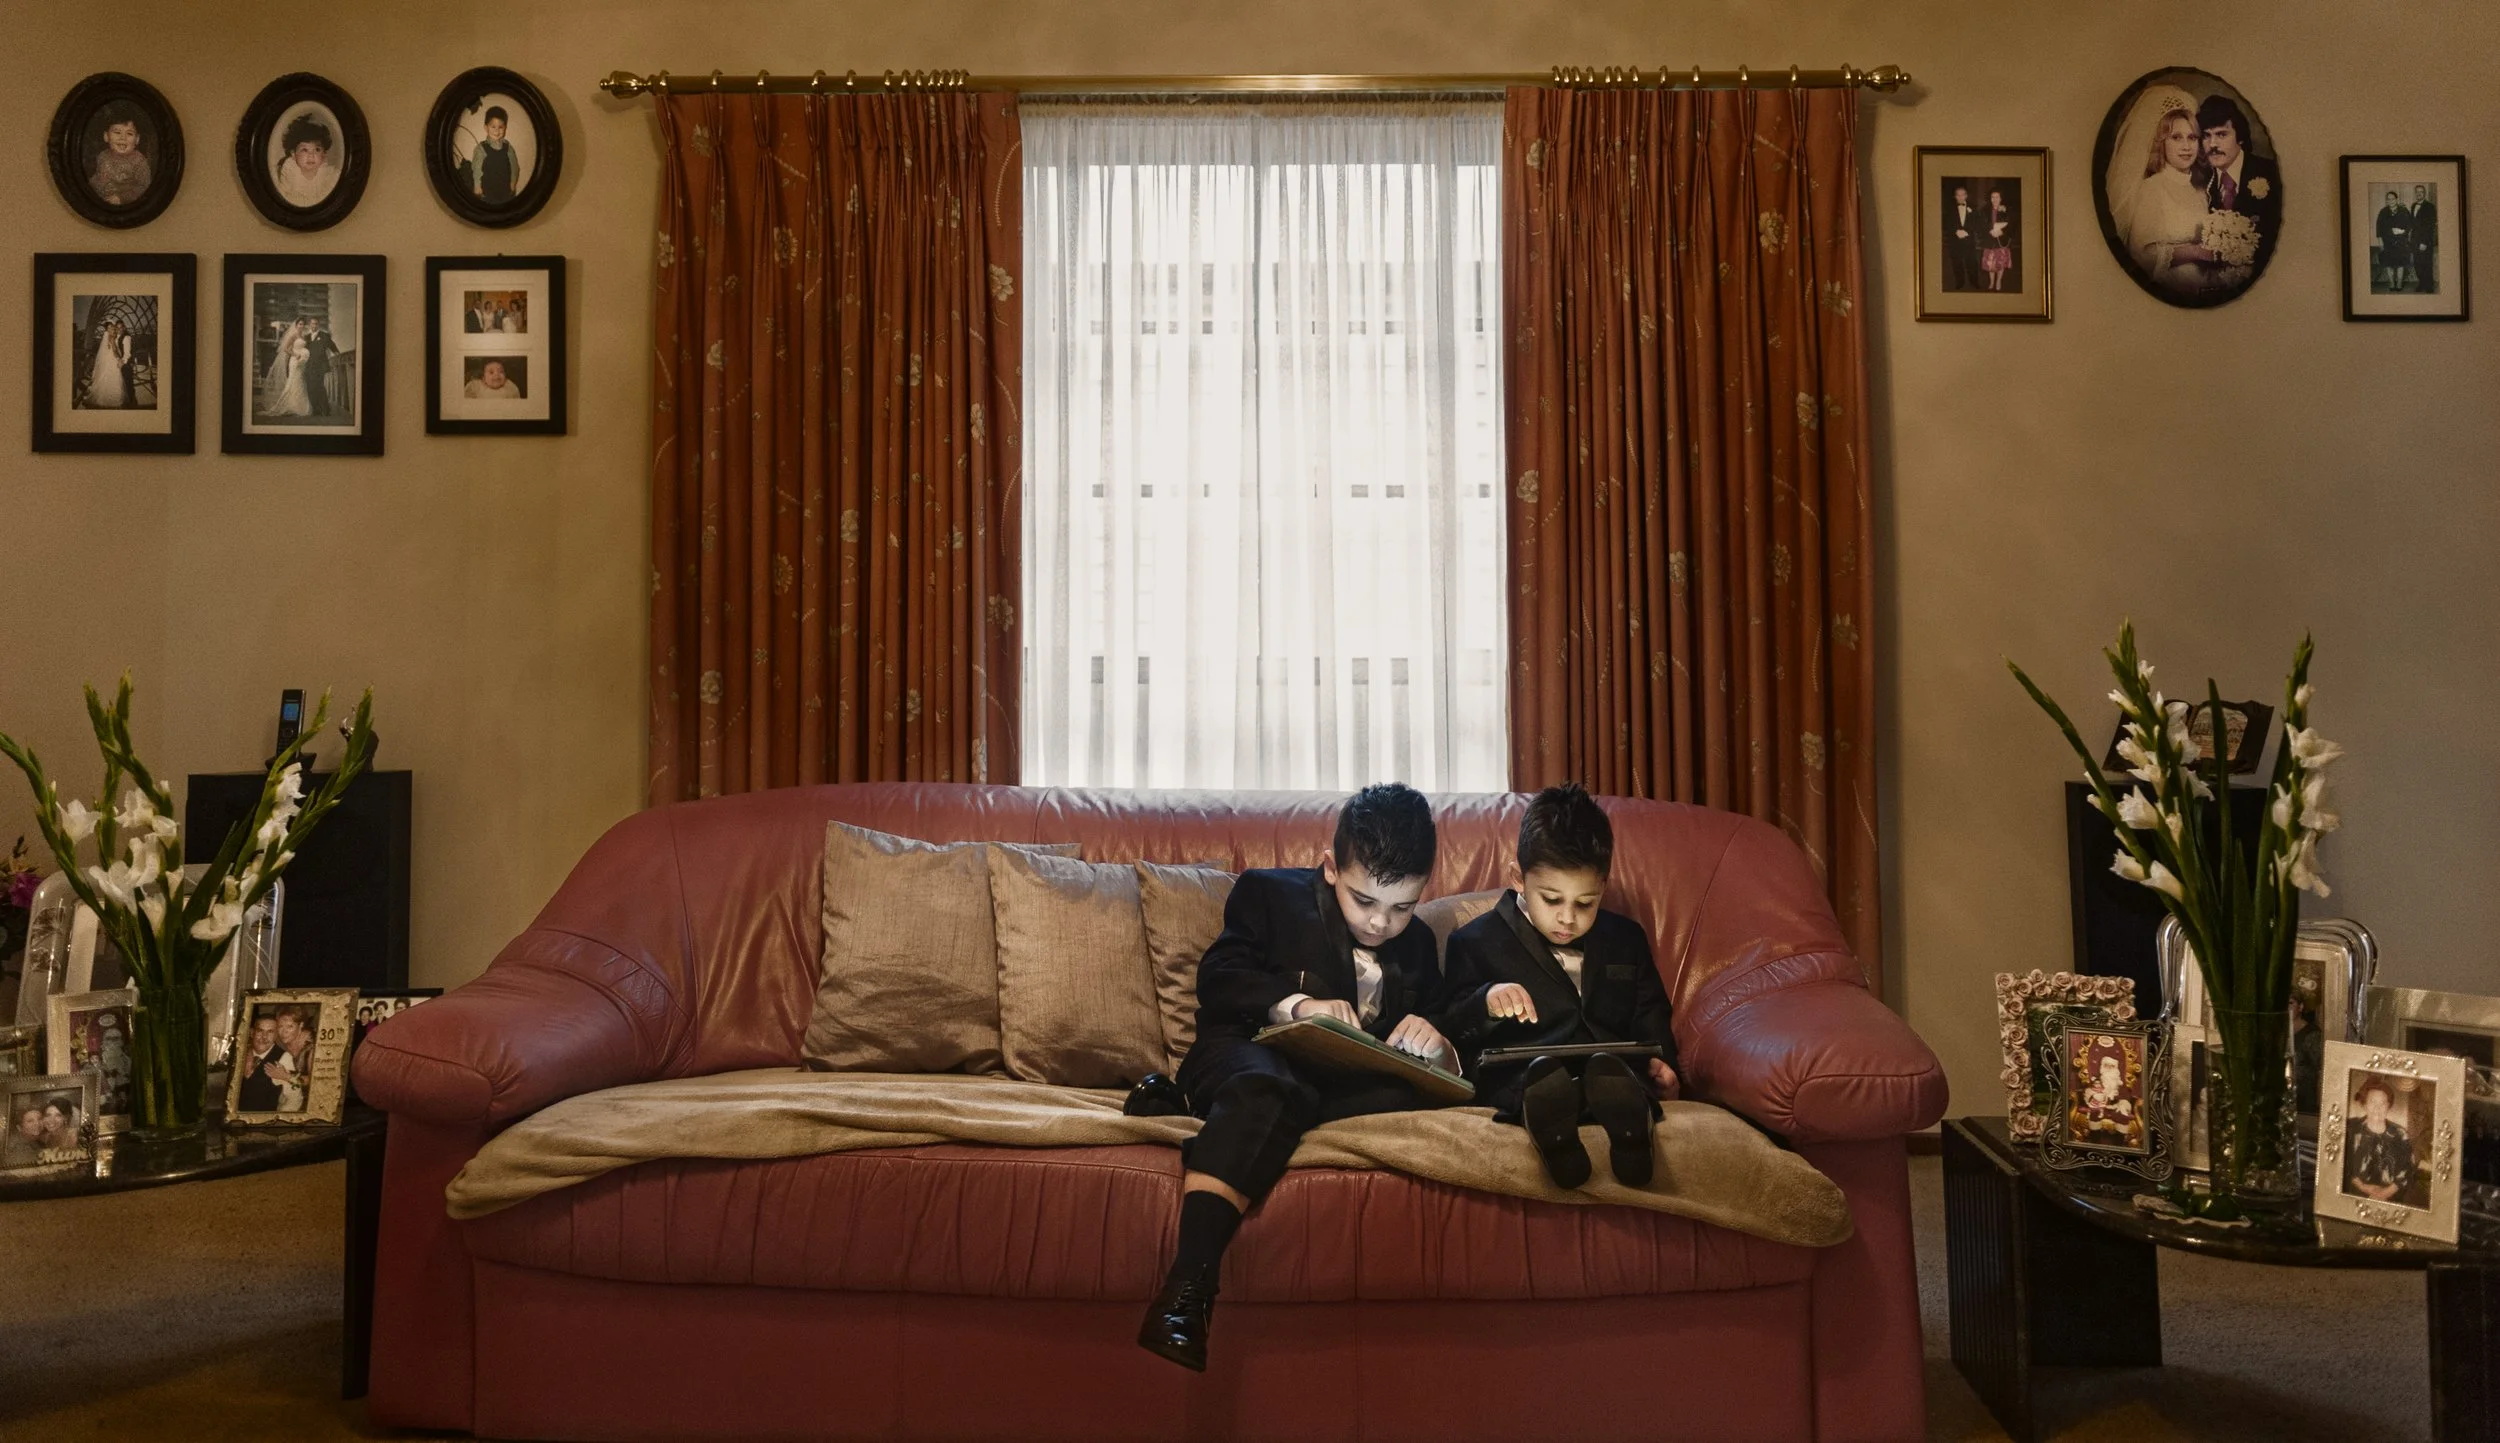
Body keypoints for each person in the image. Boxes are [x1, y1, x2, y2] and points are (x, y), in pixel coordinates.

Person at [1138, 783, 1452, 1372]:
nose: (1382, 923)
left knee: (1395, 1096)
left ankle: (1184, 1107)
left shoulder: (1418, 946)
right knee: (1267, 1090)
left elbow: (1435, 1018)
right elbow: (1220, 977)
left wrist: (1432, 1036)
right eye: (1365, 901)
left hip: (1332, 1083)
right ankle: (1187, 1288)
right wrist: (1300, 1005)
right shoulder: (1268, 893)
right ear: (1331, 868)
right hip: (1244, 1051)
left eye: (1403, 907)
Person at [1433, 783, 1680, 1189]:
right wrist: (1487, 1002)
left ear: (1603, 886)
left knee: (1619, 1080)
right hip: (1528, 1073)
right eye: (1551, 900)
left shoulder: (1625, 938)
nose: (1568, 918)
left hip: (1612, 1069)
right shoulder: (1475, 942)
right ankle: (1554, 1133)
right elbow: (1454, 1024)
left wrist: (1664, 1064)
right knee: (1540, 1086)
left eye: (1585, 904)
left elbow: (1650, 1010)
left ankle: (1632, 1134)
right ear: (1518, 878)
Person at [2115, 91, 2218, 296]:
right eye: (2176, 138)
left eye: (2192, 138)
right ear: (2161, 142)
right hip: (2166, 294)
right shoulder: (2152, 188)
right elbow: (2141, 255)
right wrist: (2194, 252)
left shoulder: (2200, 189)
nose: (2186, 147)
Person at [2197, 93, 2280, 258]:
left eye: (2221, 134)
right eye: (2206, 136)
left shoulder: (2270, 172)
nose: (2212, 144)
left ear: (2240, 137)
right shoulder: (2200, 179)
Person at [2344, 1076, 2415, 1204]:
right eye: (2372, 1102)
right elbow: (2343, 1164)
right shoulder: (2351, 1128)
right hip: (2354, 1197)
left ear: (2389, 1106)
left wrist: (2385, 1193)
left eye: (2383, 1103)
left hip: (2391, 1200)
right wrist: (2363, 1187)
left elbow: (2407, 1170)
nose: (2377, 1108)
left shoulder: (2400, 1134)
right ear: (2364, 1104)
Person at [87, 106, 151, 207]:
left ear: (137, 139)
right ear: (106, 136)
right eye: (117, 132)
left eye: (129, 134)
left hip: (125, 204)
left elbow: (143, 187)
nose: (123, 138)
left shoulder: (139, 160)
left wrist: (121, 198)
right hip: (102, 199)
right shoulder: (103, 156)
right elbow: (99, 177)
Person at [274, 113, 341, 208]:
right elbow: (283, 198)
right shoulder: (289, 171)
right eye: (304, 150)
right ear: (293, 154)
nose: (311, 155)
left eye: (317, 150)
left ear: (324, 154)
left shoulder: (330, 174)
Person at [467, 106, 520, 204]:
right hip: (486, 193)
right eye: (493, 127)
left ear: (505, 128)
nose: (497, 131)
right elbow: (476, 169)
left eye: (500, 127)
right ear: (486, 127)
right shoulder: (481, 148)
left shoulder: (508, 147)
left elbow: (514, 166)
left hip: (506, 192)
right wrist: (477, 186)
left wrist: (513, 182)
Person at [236, 1014, 287, 1111]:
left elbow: (294, 1098)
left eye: (270, 1032)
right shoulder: (240, 1053)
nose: (264, 1037)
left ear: (276, 1035)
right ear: (252, 1032)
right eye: (260, 1031)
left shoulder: (284, 1058)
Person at [262, 320, 312, 418]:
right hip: (294, 360)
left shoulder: (303, 336)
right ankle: (287, 405)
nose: (301, 326)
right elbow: (285, 348)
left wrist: (304, 355)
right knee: (293, 380)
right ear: (296, 325)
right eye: (300, 324)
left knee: (300, 381)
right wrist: (295, 354)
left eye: (303, 324)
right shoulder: (293, 336)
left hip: (301, 362)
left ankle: (298, 406)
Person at [273, 1007, 315, 1112]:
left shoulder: (312, 1048)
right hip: (289, 1098)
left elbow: (315, 1082)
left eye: (290, 1026)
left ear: (300, 1025)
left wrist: (286, 1076)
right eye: (280, 1026)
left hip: (309, 1104)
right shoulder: (281, 1041)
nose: (284, 1032)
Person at [1941, 183, 1980, 291]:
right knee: (1957, 262)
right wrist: (1955, 231)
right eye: (1958, 195)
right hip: (1955, 241)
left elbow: (1976, 222)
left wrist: (1967, 231)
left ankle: (1974, 282)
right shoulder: (1949, 208)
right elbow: (1946, 223)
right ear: (1955, 196)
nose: (1960, 197)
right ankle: (1960, 282)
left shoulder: (1973, 207)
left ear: (1966, 195)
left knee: (1972, 262)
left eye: (1963, 195)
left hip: (1969, 240)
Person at [86, 319, 130, 408]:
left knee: (106, 377)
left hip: (108, 359)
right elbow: (114, 350)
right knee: (114, 377)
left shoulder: (109, 336)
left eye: (111, 327)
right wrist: (118, 359)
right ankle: (113, 399)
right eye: (109, 328)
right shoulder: (112, 337)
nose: (111, 329)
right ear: (107, 329)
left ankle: (103, 398)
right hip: (113, 359)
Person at [1979, 186, 2017, 291]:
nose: (1994, 199)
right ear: (1990, 198)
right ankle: (1991, 282)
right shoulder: (1984, 210)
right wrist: (1990, 231)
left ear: (2001, 198)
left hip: (2002, 240)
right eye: (1992, 197)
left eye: (1997, 197)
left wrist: (2002, 232)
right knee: (1990, 264)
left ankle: (1999, 281)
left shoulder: (2007, 210)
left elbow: (2012, 225)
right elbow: (1981, 224)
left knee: (2000, 263)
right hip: (1989, 240)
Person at [2375, 190, 2413, 293]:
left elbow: (2409, 226)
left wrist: (2403, 231)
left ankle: (2399, 283)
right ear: (2386, 201)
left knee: (2400, 264)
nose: (2390, 201)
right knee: (2389, 264)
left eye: (2393, 199)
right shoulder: (2383, 212)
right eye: (2388, 199)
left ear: (2396, 199)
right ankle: (2392, 283)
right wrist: (2381, 243)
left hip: (2401, 242)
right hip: (2387, 242)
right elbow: (2379, 229)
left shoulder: (2404, 211)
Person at [299, 324, 339, 417]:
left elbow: (332, 345)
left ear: (318, 325)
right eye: (312, 324)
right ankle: (315, 409)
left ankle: (325, 410)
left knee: (320, 386)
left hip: (320, 366)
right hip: (309, 366)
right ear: (310, 325)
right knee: (310, 388)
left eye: (316, 323)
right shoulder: (307, 337)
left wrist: (336, 353)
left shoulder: (324, 335)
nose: (314, 326)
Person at [2410, 183, 2439, 292]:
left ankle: (2429, 286)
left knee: (2426, 263)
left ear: (2424, 193)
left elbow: (2430, 226)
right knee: (2418, 264)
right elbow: (2413, 223)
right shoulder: (2413, 206)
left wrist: (2424, 242)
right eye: (2417, 192)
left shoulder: (2430, 206)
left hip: (2425, 241)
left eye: (2421, 192)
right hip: (2415, 240)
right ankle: (2421, 283)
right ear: (2415, 193)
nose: (2419, 194)